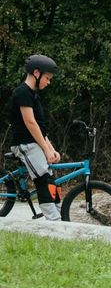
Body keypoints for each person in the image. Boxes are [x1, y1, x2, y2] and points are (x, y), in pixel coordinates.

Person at [5, 54, 62, 220]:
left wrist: (51, 150)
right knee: (43, 178)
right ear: (36, 73)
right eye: (47, 78)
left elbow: (40, 129)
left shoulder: (33, 95)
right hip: (24, 145)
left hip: (34, 143)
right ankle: (54, 222)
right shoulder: (22, 92)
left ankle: (60, 214)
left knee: (50, 179)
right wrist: (45, 149)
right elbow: (30, 123)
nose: (48, 82)